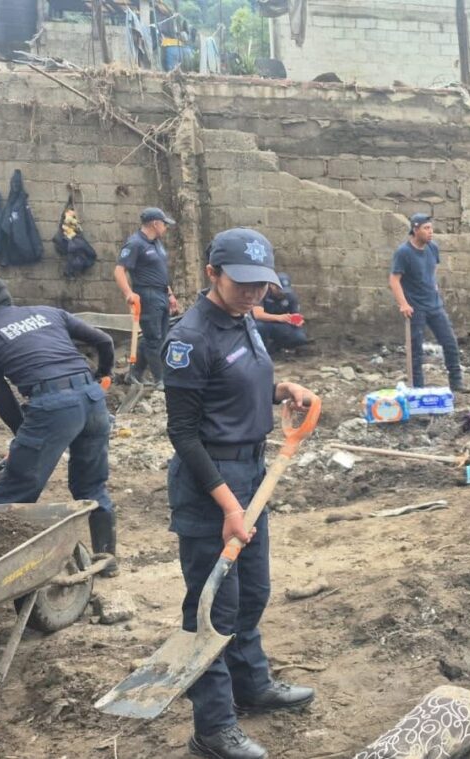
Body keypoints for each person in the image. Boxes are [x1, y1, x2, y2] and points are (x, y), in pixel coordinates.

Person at [163, 229, 318, 759]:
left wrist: (283, 390)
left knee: (253, 591)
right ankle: (212, 728)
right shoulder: (190, 338)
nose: (254, 293)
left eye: (261, 285)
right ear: (212, 274)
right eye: (242, 283)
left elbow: (238, 387)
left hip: (253, 474)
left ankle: (251, 685)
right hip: (211, 485)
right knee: (212, 610)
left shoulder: (244, 319)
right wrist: (228, 504)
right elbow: (183, 433)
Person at [0, 273, 119, 576]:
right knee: (91, 484)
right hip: (91, 398)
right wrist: (103, 376)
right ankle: (107, 559)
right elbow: (104, 340)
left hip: (52, 405)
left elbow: (2, 397)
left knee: (14, 490)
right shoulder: (48, 312)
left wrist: (23, 437)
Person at [388, 214, 465, 392]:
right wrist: (403, 304)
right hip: (415, 308)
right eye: (426, 228)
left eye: (431, 228)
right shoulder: (403, 253)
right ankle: (417, 387)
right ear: (415, 230)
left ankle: (456, 381)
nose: (431, 232)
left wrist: (434, 285)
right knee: (415, 350)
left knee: (450, 342)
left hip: (434, 305)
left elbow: (432, 269)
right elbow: (394, 280)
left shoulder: (433, 248)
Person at [114, 207, 180, 388]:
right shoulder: (135, 244)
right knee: (154, 339)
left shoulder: (156, 243)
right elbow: (119, 270)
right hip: (147, 294)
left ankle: (134, 374)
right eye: (164, 224)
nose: (166, 227)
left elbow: (159, 271)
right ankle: (161, 379)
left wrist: (170, 294)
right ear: (155, 223)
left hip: (161, 293)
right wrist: (129, 293)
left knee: (161, 337)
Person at [251, 273, 307, 354]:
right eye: (279, 289)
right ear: (272, 285)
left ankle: (276, 347)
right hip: (264, 323)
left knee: (300, 337)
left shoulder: (291, 296)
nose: (282, 292)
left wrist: (297, 320)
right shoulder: (262, 293)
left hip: (281, 325)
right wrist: (279, 317)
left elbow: (296, 315)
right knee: (259, 327)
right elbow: (257, 314)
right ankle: (259, 351)